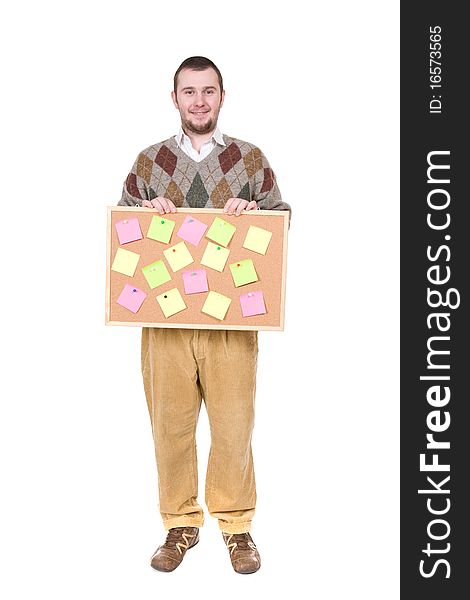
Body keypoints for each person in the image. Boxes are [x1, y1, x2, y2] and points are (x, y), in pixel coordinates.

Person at [118, 56, 291, 574]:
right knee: (169, 426)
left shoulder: (249, 159)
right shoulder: (149, 163)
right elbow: (122, 236)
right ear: (175, 99)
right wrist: (141, 218)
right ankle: (179, 523)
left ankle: (237, 528)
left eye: (208, 91)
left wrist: (253, 214)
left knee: (234, 426)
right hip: (165, 322)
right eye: (189, 92)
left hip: (232, 321)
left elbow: (281, 221)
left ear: (222, 95)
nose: (199, 101)